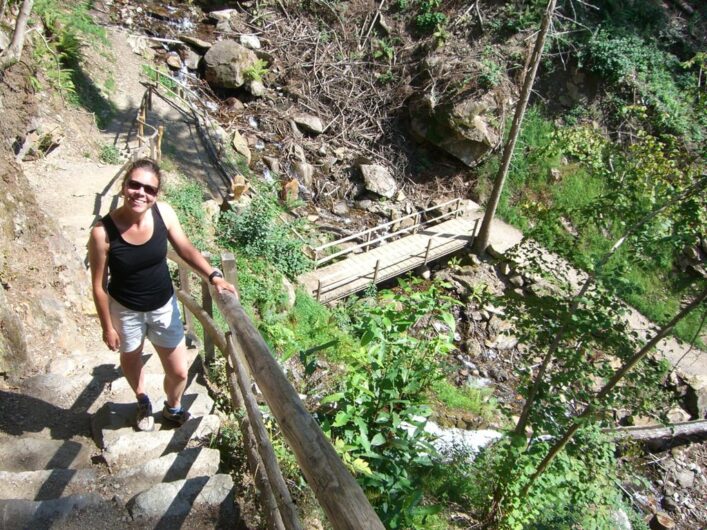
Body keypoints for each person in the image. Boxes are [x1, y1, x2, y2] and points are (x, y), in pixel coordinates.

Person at [88, 158, 236, 431]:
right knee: (131, 357)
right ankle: (142, 398)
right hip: (125, 309)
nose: (141, 193)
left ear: (156, 195)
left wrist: (214, 276)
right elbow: (98, 285)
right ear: (124, 187)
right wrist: (107, 326)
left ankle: (172, 406)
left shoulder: (163, 214)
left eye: (149, 189)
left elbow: (186, 249)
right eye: (135, 185)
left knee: (179, 371)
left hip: (163, 306)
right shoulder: (102, 233)